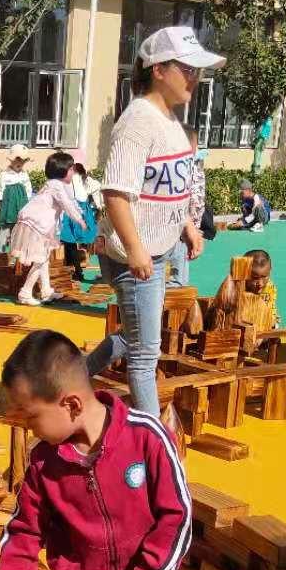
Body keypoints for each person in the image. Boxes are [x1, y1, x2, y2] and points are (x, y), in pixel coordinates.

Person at [0, 330, 191, 570]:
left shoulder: (147, 437)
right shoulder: (44, 463)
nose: (29, 428)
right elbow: (25, 526)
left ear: (71, 405)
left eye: (31, 417)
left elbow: (178, 513)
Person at [86, 25, 223, 410]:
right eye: (187, 68)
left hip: (157, 249)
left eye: (197, 70)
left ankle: (78, 374)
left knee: (138, 338)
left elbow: (170, 189)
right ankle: (153, 436)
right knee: (146, 354)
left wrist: (188, 226)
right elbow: (115, 192)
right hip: (135, 254)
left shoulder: (172, 122)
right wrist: (135, 249)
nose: (195, 77)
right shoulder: (137, 122)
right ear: (159, 70)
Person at [7, 150, 85, 306]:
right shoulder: (56, 185)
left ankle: (46, 290)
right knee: (40, 259)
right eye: (71, 169)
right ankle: (25, 293)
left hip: (36, 224)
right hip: (36, 225)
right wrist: (79, 220)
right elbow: (66, 204)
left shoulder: (53, 184)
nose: (73, 173)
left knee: (44, 259)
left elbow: (68, 203)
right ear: (62, 171)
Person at [166, 126, 208, 286]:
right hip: (178, 231)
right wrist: (194, 229)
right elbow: (195, 202)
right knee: (176, 280)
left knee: (171, 276)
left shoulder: (185, 165)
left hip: (179, 229)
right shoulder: (187, 167)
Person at [61, 162, 103, 282]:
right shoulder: (87, 181)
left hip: (74, 211)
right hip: (80, 211)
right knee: (74, 241)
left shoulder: (72, 179)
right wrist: (98, 208)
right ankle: (77, 271)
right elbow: (97, 191)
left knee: (70, 241)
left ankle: (77, 271)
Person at [0, 145, 34, 248]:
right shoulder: (4, 175)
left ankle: (16, 251)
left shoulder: (24, 175)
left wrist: (29, 204)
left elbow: (28, 190)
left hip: (21, 206)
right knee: (5, 229)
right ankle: (2, 251)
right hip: (7, 206)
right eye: (17, 160)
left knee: (19, 230)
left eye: (23, 161)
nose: (20, 163)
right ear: (11, 160)